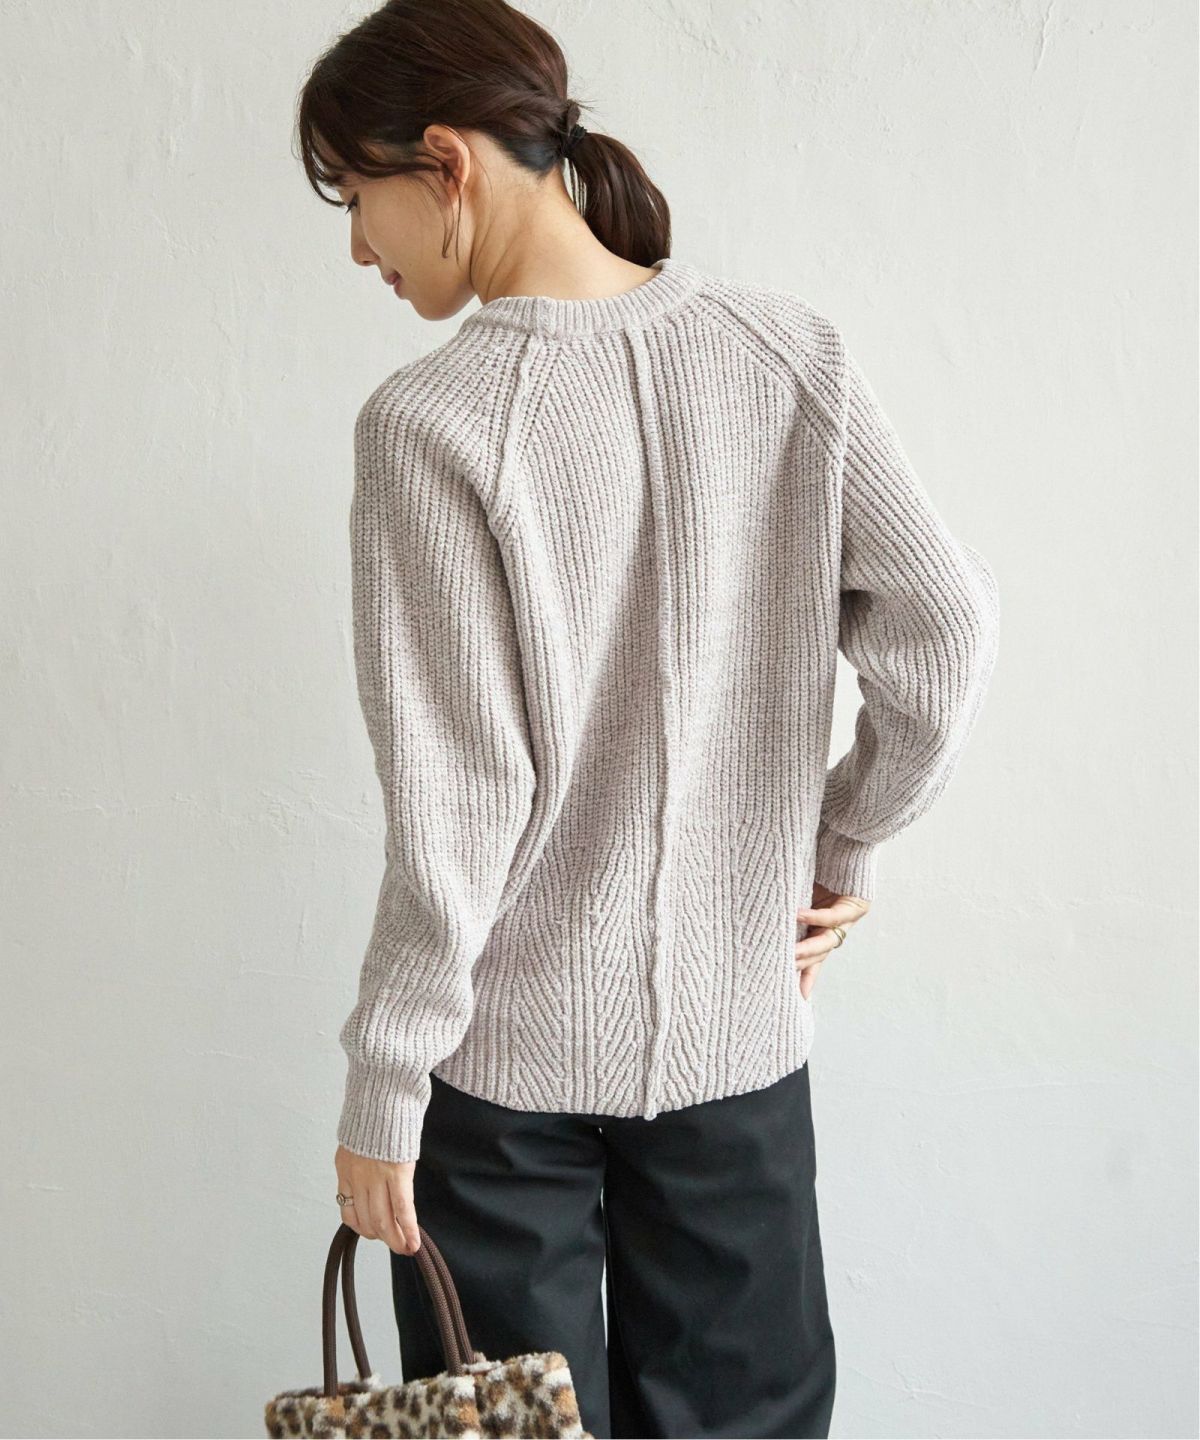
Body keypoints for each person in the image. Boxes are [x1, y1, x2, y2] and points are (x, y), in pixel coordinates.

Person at [294, 2, 1000, 1436]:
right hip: (740, 1049)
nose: (359, 248)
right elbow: (947, 632)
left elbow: (458, 805)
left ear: (445, 162)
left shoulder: (431, 424)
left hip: (498, 1088)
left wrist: (384, 1083)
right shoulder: (787, 354)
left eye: (355, 197)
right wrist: (830, 857)